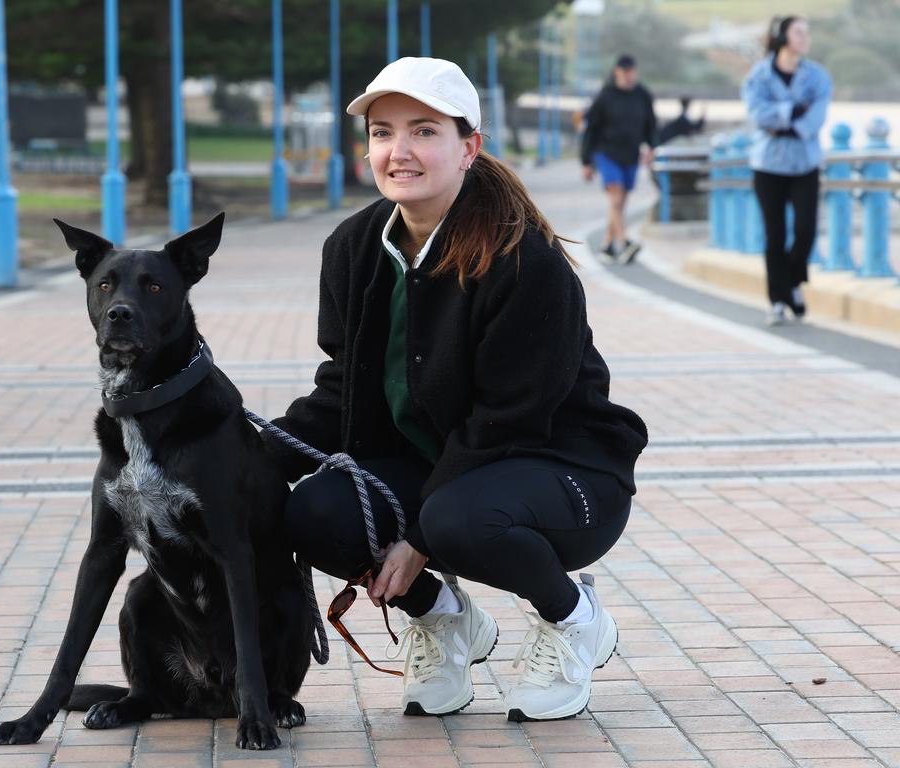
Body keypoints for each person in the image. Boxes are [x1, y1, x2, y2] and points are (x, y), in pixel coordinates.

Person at [261, 56, 648, 723]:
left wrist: (415, 540)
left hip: (563, 473)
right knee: (313, 512)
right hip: (450, 474)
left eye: (424, 132)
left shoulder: (525, 260)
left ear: (469, 147)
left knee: (454, 521)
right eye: (383, 133)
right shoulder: (353, 249)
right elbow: (341, 393)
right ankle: (442, 620)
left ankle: (573, 619)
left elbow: (512, 418)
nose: (398, 151)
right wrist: (243, 458)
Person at [741, 15, 831, 326]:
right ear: (783, 36)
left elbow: (816, 117)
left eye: (807, 31)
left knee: (806, 230)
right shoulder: (759, 75)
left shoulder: (818, 76)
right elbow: (757, 115)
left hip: (805, 163)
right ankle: (778, 299)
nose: (805, 37)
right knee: (774, 234)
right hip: (768, 165)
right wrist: (793, 110)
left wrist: (782, 121)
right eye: (798, 31)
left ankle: (792, 281)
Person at [579, 54, 658, 265]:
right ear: (617, 73)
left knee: (620, 203)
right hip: (607, 153)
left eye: (633, 73)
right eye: (625, 74)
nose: (629, 78)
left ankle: (607, 245)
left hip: (631, 154)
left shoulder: (643, 95)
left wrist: (652, 147)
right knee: (615, 197)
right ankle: (624, 243)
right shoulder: (605, 96)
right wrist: (586, 161)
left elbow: (651, 124)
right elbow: (591, 129)